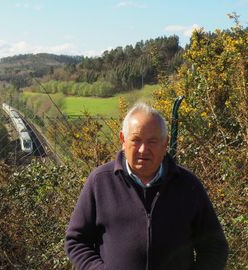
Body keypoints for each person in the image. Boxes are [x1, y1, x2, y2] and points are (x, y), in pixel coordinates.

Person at [64, 102, 228, 270]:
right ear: (123, 140)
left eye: (152, 141)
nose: (143, 149)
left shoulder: (188, 186)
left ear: (165, 143)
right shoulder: (100, 182)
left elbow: (215, 247)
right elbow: (76, 241)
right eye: (136, 140)